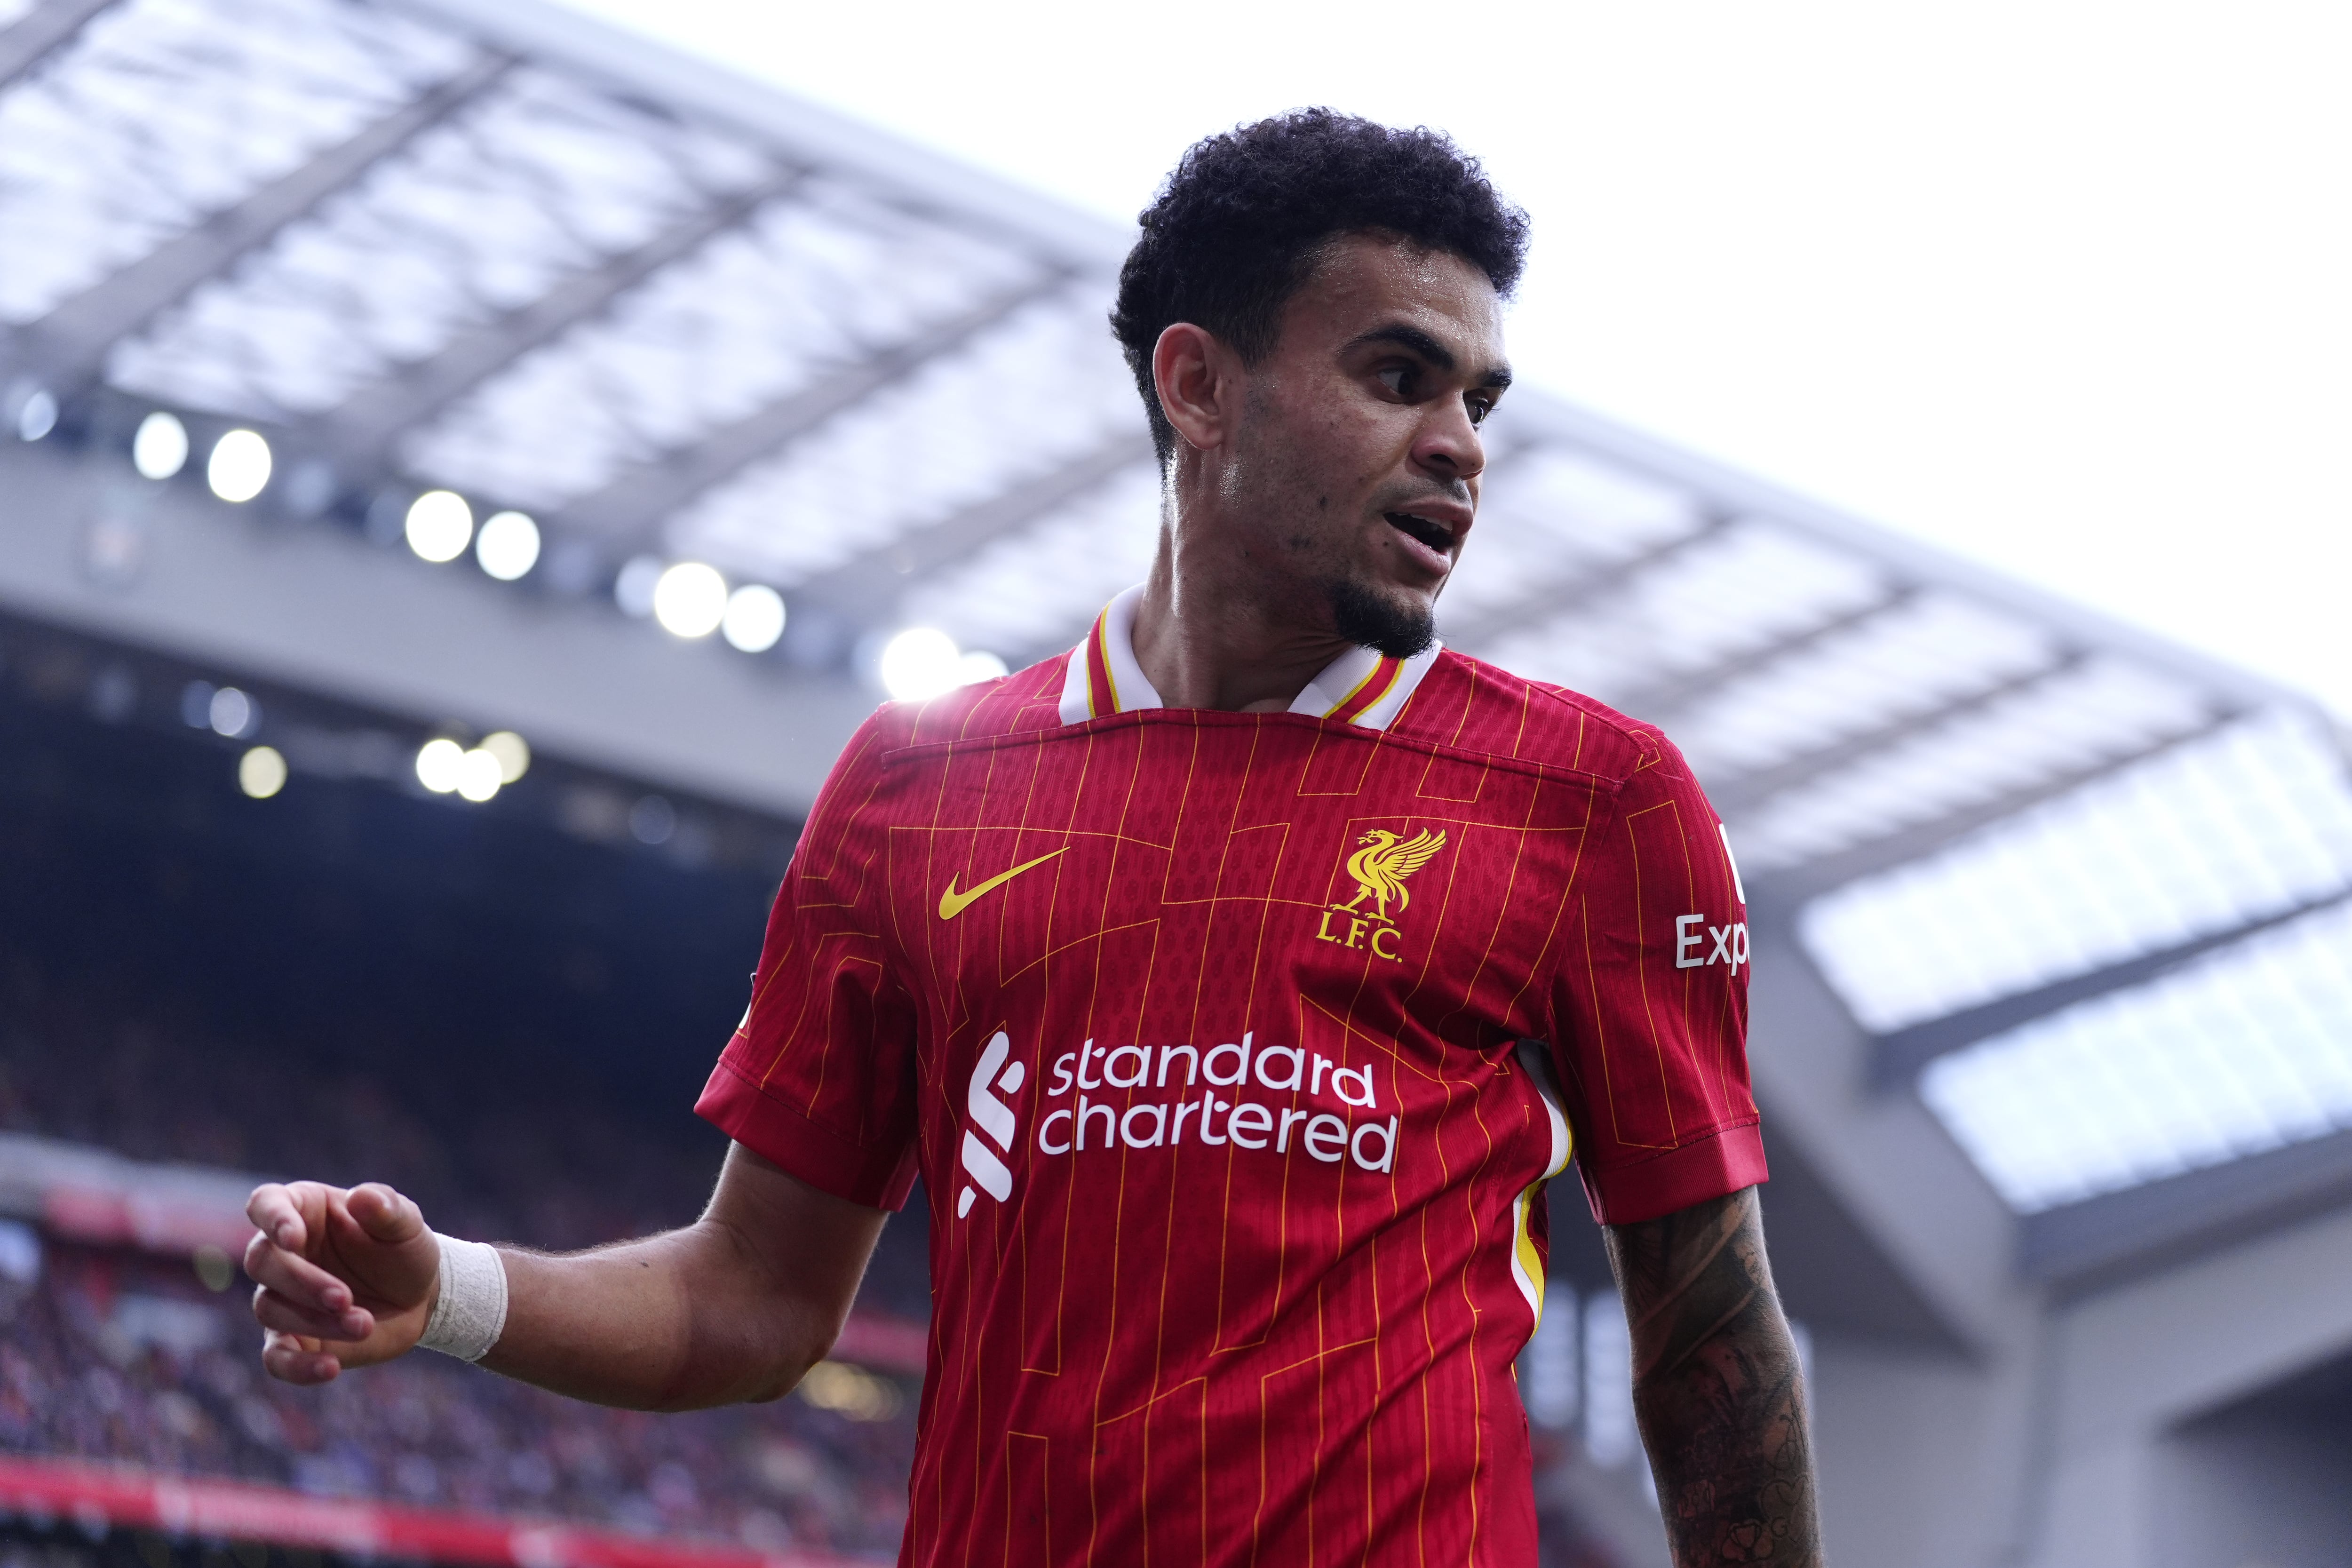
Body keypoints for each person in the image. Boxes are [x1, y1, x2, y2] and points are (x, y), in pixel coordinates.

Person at [245, 110, 1821, 1567]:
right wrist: (449, 1293)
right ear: (1199, 385)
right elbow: (756, 1298)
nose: (1461, 443)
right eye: (1400, 377)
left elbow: (1711, 1349)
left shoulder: (1591, 800)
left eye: (1479, 400)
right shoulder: (916, 787)